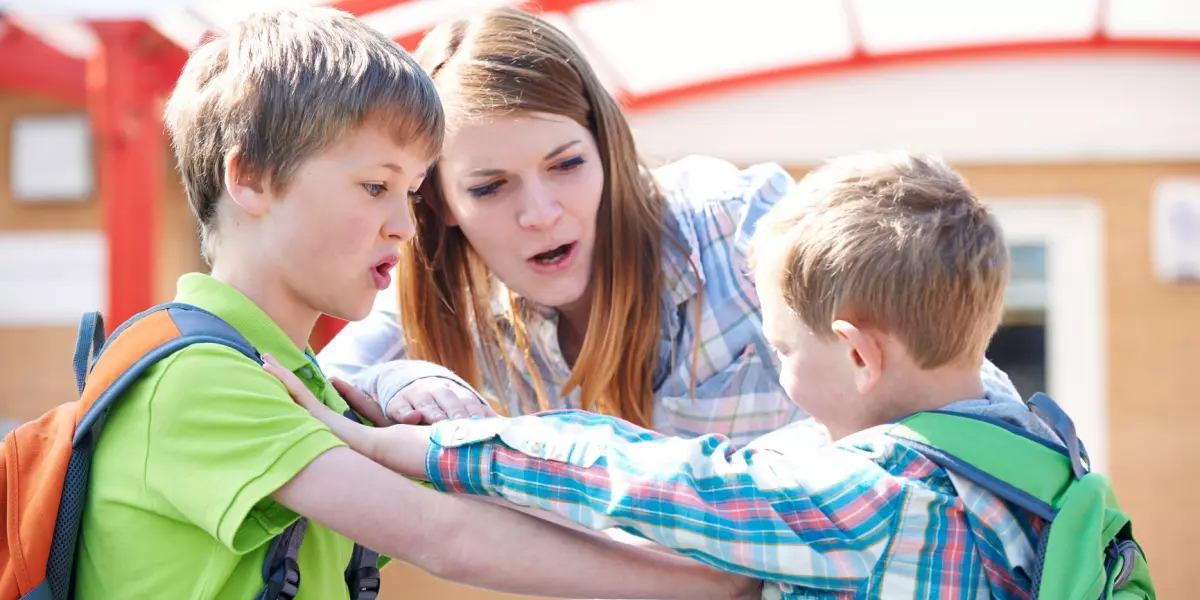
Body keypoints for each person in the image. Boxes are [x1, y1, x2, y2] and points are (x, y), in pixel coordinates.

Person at [72, 7, 760, 600]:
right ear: (249, 176)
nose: (405, 225)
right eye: (377, 187)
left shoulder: (303, 381)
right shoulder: (201, 376)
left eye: (410, 193)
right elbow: (448, 534)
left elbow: (495, 515)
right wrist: (737, 580)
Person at [274, 151, 1065, 598]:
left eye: (784, 352)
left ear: (859, 355)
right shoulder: (1031, 453)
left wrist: (412, 448)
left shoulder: (870, 503)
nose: (781, 375)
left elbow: (642, 476)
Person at [318, 6, 1022, 448]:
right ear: (438, 202)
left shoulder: (736, 225)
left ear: (606, 149)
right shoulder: (439, 297)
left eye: (565, 165)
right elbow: (314, 390)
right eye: (490, 186)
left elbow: (961, 387)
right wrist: (395, 385)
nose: (540, 212)